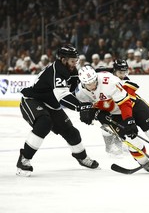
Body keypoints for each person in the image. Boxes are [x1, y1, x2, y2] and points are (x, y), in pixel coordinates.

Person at [76, 62, 149, 173]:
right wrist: (95, 113)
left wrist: (129, 120)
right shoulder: (80, 92)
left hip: (133, 105)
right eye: (89, 84)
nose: (93, 85)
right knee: (133, 142)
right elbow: (87, 107)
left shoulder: (109, 82)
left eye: (94, 81)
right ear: (83, 83)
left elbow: (125, 102)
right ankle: (144, 162)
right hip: (114, 115)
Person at [17, 44, 99, 177]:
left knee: (72, 132)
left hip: (51, 105)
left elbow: (75, 93)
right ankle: (24, 160)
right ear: (63, 59)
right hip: (32, 100)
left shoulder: (71, 71)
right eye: (72, 61)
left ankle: (82, 158)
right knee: (44, 123)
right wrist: (80, 107)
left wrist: (90, 106)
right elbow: (63, 97)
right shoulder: (57, 71)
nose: (75, 64)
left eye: (76, 61)